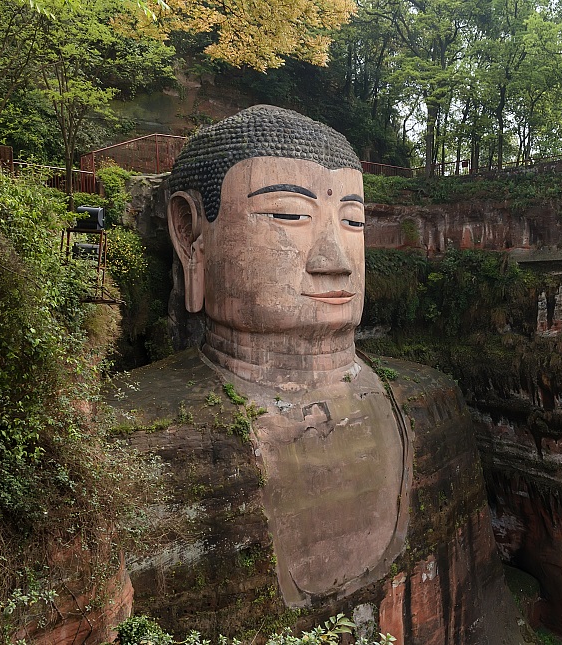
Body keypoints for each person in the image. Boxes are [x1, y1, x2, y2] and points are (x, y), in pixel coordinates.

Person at [166, 104, 409, 605]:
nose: (334, 260)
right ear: (190, 235)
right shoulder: (143, 445)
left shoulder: (427, 404)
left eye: (353, 221)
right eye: (289, 215)